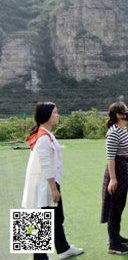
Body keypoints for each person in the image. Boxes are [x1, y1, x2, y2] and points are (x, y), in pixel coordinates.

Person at [22, 102, 84, 260]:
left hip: (48, 183)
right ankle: (40, 257)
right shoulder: (43, 137)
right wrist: (54, 189)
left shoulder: (45, 133)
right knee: (39, 219)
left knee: (56, 217)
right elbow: (46, 166)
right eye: (55, 112)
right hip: (45, 184)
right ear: (47, 116)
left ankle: (63, 248)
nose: (58, 115)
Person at [101, 102, 128, 255]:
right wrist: (113, 179)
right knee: (114, 208)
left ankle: (116, 236)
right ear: (118, 115)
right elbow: (110, 157)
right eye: (126, 111)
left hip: (123, 171)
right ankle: (113, 243)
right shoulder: (113, 132)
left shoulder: (122, 129)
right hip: (116, 172)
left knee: (119, 205)